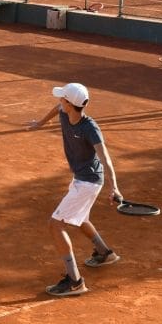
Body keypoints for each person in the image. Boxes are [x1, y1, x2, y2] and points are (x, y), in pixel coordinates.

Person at [26, 82, 122, 297]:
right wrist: (40, 123)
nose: (59, 100)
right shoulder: (65, 111)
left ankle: (75, 281)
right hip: (81, 178)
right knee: (81, 218)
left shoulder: (90, 128)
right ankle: (105, 253)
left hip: (89, 182)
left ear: (70, 104)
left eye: (62, 98)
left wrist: (114, 187)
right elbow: (56, 108)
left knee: (55, 224)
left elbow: (105, 158)